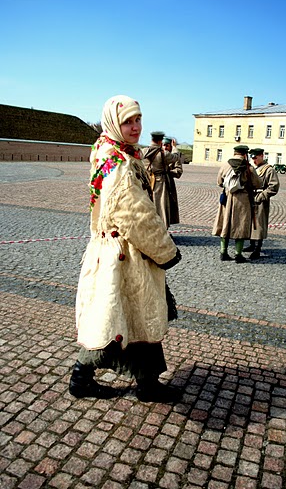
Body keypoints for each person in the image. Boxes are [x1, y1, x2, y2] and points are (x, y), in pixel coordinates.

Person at [69, 95, 182, 403]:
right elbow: (136, 215)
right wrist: (166, 251)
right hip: (125, 254)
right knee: (115, 323)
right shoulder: (118, 163)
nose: (135, 127)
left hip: (114, 248)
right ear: (113, 124)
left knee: (130, 318)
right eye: (127, 122)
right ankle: (82, 378)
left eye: (138, 119)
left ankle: (146, 383)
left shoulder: (110, 150)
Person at [212, 145, 262, 263]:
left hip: (227, 199)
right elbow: (258, 184)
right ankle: (238, 255)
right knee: (241, 226)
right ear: (245, 154)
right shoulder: (249, 168)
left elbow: (219, 182)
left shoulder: (225, 165)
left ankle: (223, 252)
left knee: (225, 225)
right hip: (243, 200)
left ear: (235, 153)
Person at [243, 148, 280, 260]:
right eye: (252, 158)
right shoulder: (253, 168)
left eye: (256, 158)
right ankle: (252, 244)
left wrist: (261, 197)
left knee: (259, 224)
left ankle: (257, 248)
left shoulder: (269, 170)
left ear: (261, 156)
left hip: (260, 201)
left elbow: (273, 186)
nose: (254, 160)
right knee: (250, 223)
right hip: (250, 198)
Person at [142, 131, 182, 228]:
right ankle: (162, 228)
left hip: (146, 181)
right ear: (160, 141)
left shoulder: (143, 151)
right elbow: (176, 157)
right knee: (161, 206)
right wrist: (175, 148)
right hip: (160, 182)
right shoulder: (163, 154)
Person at [162, 136, 183, 225]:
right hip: (156, 184)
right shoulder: (157, 155)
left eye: (167, 145)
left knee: (167, 207)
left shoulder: (174, 157)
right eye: (163, 145)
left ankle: (166, 229)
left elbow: (178, 171)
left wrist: (168, 172)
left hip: (168, 185)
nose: (165, 147)